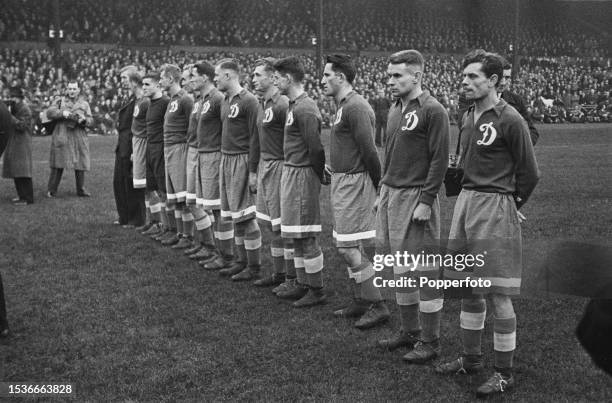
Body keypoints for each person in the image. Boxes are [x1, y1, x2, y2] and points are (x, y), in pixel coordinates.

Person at [435, 49, 539, 397]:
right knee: (467, 286)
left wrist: (511, 203)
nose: (464, 83)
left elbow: (530, 173)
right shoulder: (466, 116)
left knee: (497, 291)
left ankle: (504, 373)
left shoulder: (510, 119)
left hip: (495, 207)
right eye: (463, 77)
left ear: (493, 81)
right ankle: (470, 358)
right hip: (466, 204)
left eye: (472, 77)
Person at [375, 50, 449, 363]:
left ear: (416, 76)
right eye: (389, 76)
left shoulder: (433, 110)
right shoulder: (394, 108)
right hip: (391, 194)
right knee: (399, 268)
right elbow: (389, 153)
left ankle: (430, 341)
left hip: (416, 197)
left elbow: (439, 159)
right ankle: (409, 331)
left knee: (425, 273)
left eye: (397, 76)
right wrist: (382, 189)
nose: (390, 82)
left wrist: (427, 201)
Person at [321, 54, 389, 329]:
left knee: (349, 248)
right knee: (347, 245)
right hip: (342, 181)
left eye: (327, 75)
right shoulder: (343, 105)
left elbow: (370, 151)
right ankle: (361, 299)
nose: (322, 80)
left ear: (341, 77)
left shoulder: (357, 107)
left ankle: (378, 304)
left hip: (356, 183)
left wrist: (379, 185)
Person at [273, 56, 327, 307]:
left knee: (306, 235)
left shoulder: (306, 107)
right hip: (291, 171)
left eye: (277, 77)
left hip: (302, 175)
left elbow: (315, 148)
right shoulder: (294, 105)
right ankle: (302, 283)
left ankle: (316, 289)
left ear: (288, 78)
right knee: (294, 233)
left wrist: (316, 174)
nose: (275, 81)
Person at [214, 58, 263, 281]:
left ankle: (254, 267)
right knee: (236, 216)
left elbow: (256, 138)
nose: (215, 78)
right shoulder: (225, 100)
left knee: (246, 216)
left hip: (242, 161)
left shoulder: (249, 101)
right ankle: (241, 262)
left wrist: (253, 171)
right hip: (227, 160)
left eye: (217, 74)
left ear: (229, 75)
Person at [188, 62, 236, 269]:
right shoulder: (202, 99)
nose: (190, 80)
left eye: (193, 76)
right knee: (212, 208)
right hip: (203, 155)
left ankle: (227, 255)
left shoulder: (217, 98)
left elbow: (227, 128)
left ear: (205, 77)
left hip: (215, 157)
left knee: (218, 209)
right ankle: (217, 250)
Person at [251, 57, 293, 287]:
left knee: (282, 226)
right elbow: (257, 141)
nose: (253, 79)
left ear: (272, 77)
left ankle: (292, 276)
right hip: (264, 167)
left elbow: (295, 140)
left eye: (258, 75)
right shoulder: (262, 104)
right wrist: (253, 171)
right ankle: (279, 273)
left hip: (280, 167)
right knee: (268, 223)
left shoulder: (283, 104)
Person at [158, 64, 194, 247]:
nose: (160, 81)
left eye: (162, 77)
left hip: (180, 149)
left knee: (183, 197)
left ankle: (188, 237)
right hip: (169, 150)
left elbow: (192, 127)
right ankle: (180, 234)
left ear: (171, 79)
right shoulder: (172, 99)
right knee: (175, 198)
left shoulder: (186, 99)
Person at [46, 80, 93, 197]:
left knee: (80, 163)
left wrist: (84, 120)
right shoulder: (59, 101)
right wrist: (63, 113)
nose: (72, 91)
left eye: (74, 89)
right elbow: (49, 112)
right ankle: (52, 190)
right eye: (70, 89)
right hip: (62, 133)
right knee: (58, 162)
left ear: (78, 90)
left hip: (78, 135)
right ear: (67, 89)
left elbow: (91, 121)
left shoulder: (84, 104)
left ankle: (81, 190)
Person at [139, 73, 171, 239]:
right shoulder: (149, 103)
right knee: (149, 187)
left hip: (160, 149)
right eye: (142, 84)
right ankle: (155, 223)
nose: (143, 87)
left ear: (157, 85)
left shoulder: (166, 102)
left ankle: (167, 228)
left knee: (162, 189)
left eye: (147, 84)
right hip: (150, 148)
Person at [113, 66, 146, 227]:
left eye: (124, 78)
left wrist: (135, 150)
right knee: (119, 183)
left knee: (132, 185)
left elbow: (138, 128)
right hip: (123, 146)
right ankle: (124, 217)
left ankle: (136, 219)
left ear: (134, 81)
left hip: (131, 147)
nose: (122, 82)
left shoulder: (141, 100)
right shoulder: (131, 99)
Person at [2, 86, 34, 205]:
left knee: (23, 172)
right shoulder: (15, 108)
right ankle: (21, 196)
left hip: (22, 143)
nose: (11, 99)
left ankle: (27, 198)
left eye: (13, 97)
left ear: (20, 98)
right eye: (10, 97)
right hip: (16, 142)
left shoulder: (25, 109)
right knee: (17, 171)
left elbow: (22, 126)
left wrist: (9, 117)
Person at [499, 61, 540, 145]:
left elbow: (532, 131)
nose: (503, 82)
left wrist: (520, 145)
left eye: (507, 78)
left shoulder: (517, 100)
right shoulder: (479, 100)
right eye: (500, 77)